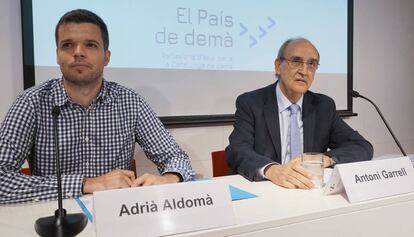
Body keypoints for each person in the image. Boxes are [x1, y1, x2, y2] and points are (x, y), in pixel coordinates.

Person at [0, 9, 194, 204]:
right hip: (55, 220)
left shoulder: (130, 102)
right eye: (67, 45)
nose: (78, 53)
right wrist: (87, 184)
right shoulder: (31, 103)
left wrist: (170, 178)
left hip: (118, 216)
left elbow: (175, 156)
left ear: (106, 56)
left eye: (90, 45)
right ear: (57, 55)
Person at [226, 37, 373, 189]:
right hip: (269, 190)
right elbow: (237, 151)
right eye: (296, 61)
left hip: (309, 190)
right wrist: (272, 170)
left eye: (311, 64)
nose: (304, 71)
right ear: (278, 66)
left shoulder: (323, 106)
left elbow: (361, 146)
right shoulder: (251, 103)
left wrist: (325, 160)